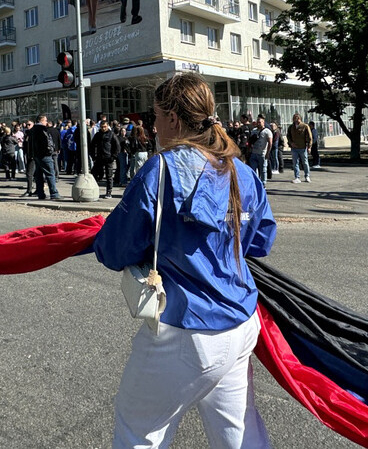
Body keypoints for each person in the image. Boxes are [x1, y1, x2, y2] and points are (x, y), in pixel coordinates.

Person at [93, 72, 276, 449]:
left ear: (173, 119)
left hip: (185, 331)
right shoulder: (240, 171)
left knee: (138, 431)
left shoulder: (160, 171)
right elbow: (259, 242)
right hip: (241, 324)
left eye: (155, 116)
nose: (153, 124)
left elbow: (113, 250)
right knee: (239, 435)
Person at [29, 115, 61, 200]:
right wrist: (49, 151)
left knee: (39, 175)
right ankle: (54, 193)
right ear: (41, 120)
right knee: (50, 173)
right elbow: (46, 142)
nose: (46, 122)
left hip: (36, 155)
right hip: (44, 155)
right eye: (45, 120)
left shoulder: (32, 130)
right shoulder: (42, 130)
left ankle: (40, 193)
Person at [90, 119, 121, 199]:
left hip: (108, 158)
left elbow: (117, 147)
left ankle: (109, 192)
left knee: (109, 176)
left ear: (108, 126)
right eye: (102, 127)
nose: (103, 128)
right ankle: (95, 190)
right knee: (95, 174)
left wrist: (113, 157)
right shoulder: (98, 135)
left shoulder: (111, 134)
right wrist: (93, 156)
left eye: (105, 127)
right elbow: (92, 145)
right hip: (99, 158)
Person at [286, 114, 313, 184]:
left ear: (300, 119)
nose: (296, 120)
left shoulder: (305, 126)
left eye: (297, 118)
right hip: (294, 148)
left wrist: (309, 146)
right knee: (295, 163)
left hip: (303, 147)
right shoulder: (291, 127)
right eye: (295, 118)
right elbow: (288, 136)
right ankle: (297, 177)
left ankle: (307, 176)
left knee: (305, 162)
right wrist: (291, 143)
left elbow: (310, 137)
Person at [247, 115, 272, 185]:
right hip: (254, 153)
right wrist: (249, 149)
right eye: (257, 122)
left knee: (263, 170)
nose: (258, 123)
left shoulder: (267, 131)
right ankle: (256, 183)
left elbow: (270, 143)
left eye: (260, 122)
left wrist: (267, 153)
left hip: (262, 153)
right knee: (253, 169)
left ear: (263, 122)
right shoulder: (253, 131)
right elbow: (250, 141)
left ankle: (263, 184)